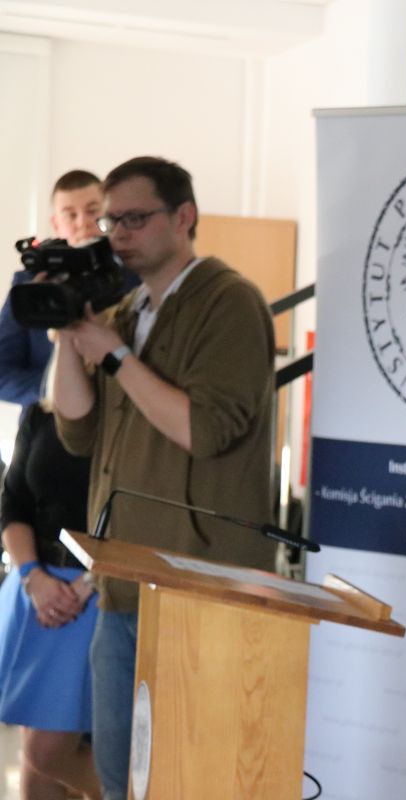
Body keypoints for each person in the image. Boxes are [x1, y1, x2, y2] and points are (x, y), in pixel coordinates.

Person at [52, 156, 276, 800]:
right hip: (122, 584)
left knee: (190, 780)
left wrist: (116, 356)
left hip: (198, 591)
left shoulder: (229, 302)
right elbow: (76, 432)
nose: (117, 234)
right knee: (121, 781)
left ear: (184, 217)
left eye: (134, 218)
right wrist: (70, 334)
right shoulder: (127, 311)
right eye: (110, 221)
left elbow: (205, 430)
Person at [0, 371, 102, 799]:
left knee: (46, 752)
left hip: (93, 594)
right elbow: (13, 502)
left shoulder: (131, 419)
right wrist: (32, 576)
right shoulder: (40, 411)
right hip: (34, 587)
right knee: (35, 760)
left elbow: (145, 518)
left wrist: (92, 582)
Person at [0, 170, 137, 408]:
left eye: (92, 211)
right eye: (70, 215)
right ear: (56, 224)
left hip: (122, 416)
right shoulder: (31, 284)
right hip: (48, 421)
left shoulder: (135, 277)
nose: (82, 223)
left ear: (108, 216)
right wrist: (58, 389)